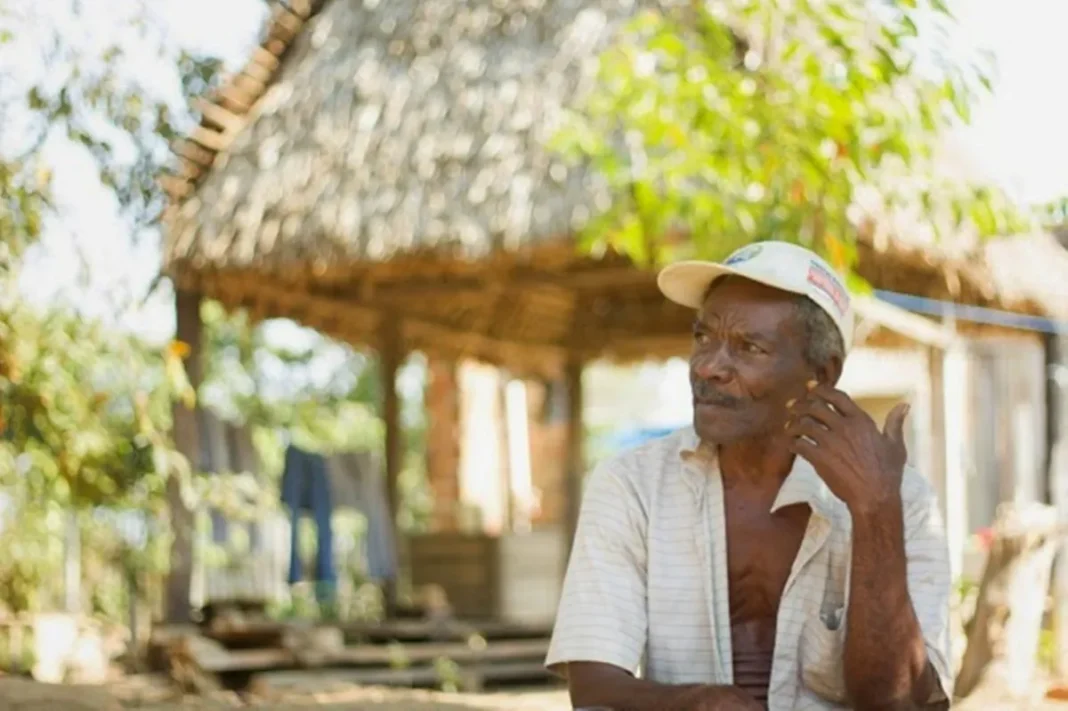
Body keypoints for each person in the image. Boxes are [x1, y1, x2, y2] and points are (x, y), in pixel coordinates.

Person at [546, 241, 951, 710]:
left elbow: (901, 704)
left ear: (821, 374)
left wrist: (875, 512)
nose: (707, 367)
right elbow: (594, 689)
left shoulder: (902, 500)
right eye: (703, 338)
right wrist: (699, 703)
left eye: (748, 347)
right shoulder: (633, 485)